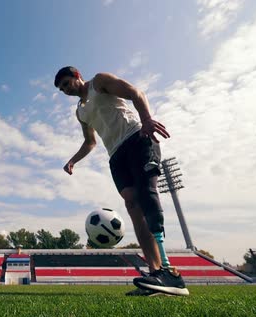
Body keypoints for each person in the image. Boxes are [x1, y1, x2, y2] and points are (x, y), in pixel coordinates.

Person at [54, 66, 189, 296]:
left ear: (77, 75)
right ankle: (155, 273)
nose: (65, 90)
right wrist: (73, 160)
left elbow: (136, 93)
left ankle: (171, 273)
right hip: (115, 155)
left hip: (137, 139)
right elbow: (90, 142)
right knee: (132, 204)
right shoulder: (81, 112)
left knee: (147, 195)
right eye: (61, 89)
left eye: (66, 83)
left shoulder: (100, 82)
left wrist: (146, 120)